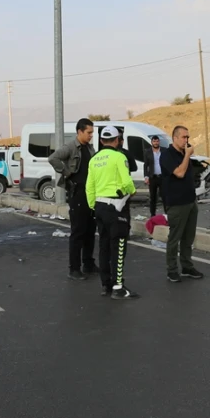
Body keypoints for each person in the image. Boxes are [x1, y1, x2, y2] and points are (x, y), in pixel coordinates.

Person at [86, 126, 139, 300]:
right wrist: (132, 191)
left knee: (104, 246)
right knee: (119, 246)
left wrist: (93, 206)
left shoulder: (94, 160)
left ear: (102, 141)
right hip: (116, 206)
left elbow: (89, 187)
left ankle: (106, 284)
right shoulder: (119, 157)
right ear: (117, 140)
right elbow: (127, 182)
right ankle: (118, 287)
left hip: (99, 206)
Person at [49, 118, 98, 280]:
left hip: (90, 194)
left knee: (90, 230)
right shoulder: (70, 146)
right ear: (79, 132)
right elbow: (53, 158)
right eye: (88, 132)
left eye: (92, 132)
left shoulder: (90, 148)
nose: (91, 135)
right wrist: (66, 172)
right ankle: (74, 269)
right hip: (77, 194)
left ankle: (88, 264)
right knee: (78, 232)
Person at [160, 125, 204, 283]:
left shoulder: (184, 154)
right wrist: (187, 156)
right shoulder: (167, 155)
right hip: (176, 203)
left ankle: (187, 266)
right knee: (175, 238)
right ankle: (172, 270)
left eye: (188, 137)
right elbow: (179, 173)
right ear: (175, 138)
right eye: (184, 137)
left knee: (188, 238)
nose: (187, 140)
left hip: (190, 201)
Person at [146, 134, 164, 217]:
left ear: (159, 142)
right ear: (151, 142)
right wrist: (146, 176)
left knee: (164, 196)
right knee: (153, 197)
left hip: (162, 177)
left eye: (157, 141)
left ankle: (166, 214)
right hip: (153, 177)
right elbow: (146, 165)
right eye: (154, 141)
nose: (156, 143)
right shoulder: (148, 152)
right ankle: (152, 215)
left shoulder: (164, 151)